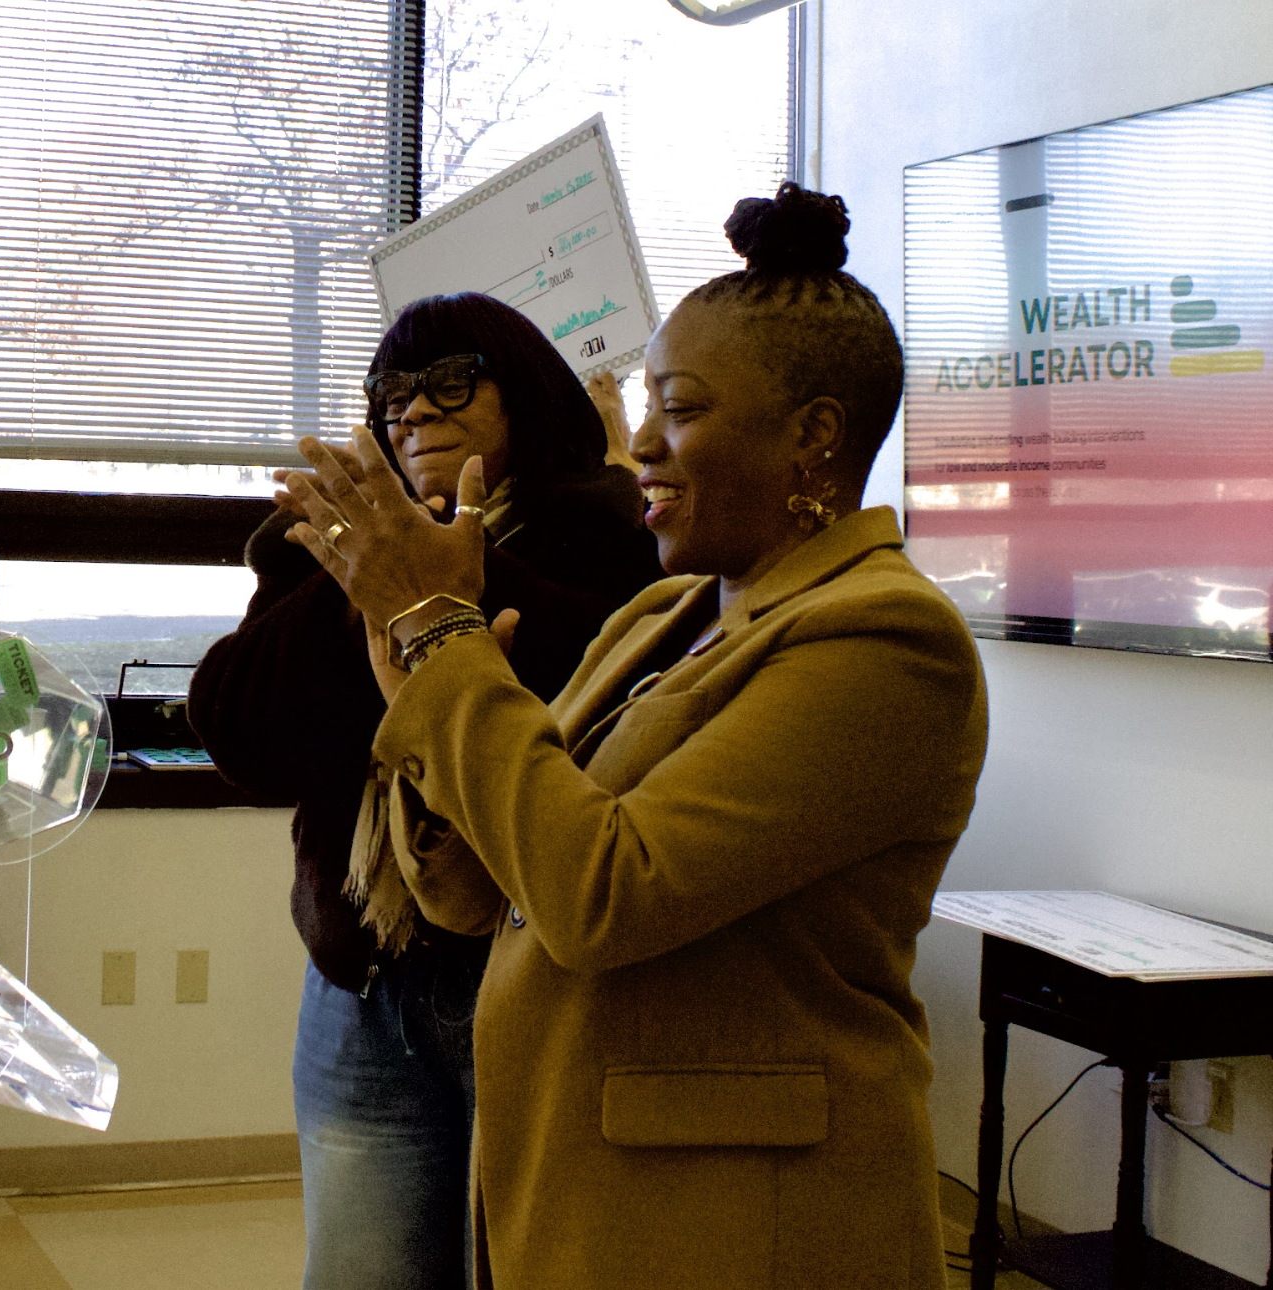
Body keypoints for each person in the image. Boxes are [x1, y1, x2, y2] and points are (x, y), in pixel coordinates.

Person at [279, 184, 989, 1288]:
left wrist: (441, 637)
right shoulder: (667, 614)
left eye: (684, 409)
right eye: (649, 402)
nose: (643, 442)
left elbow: (602, 894)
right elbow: (478, 891)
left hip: (742, 1217)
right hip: (587, 1181)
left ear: (814, 438)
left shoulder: (886, 639)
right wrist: (417, 698)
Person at [189, 292, 662, 1290]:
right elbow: (239, 732)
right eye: (391, 393)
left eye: (450, 383)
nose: (412, 412)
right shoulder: (320, 553)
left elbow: (601, 718)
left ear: (525, 391)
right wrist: (368, 561)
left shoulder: (614, 534)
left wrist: (438, 576)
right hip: (363, 972)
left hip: (536, 971)